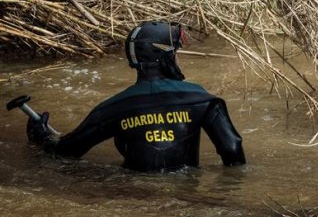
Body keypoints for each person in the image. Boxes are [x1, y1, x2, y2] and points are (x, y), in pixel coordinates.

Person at [26, 21, 246, 171]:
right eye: (176, 54)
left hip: (133, 193)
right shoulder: (204, 100)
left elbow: (67, 152)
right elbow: (232, 149)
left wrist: (42, 137)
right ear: (167, 57)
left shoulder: (113, 108)